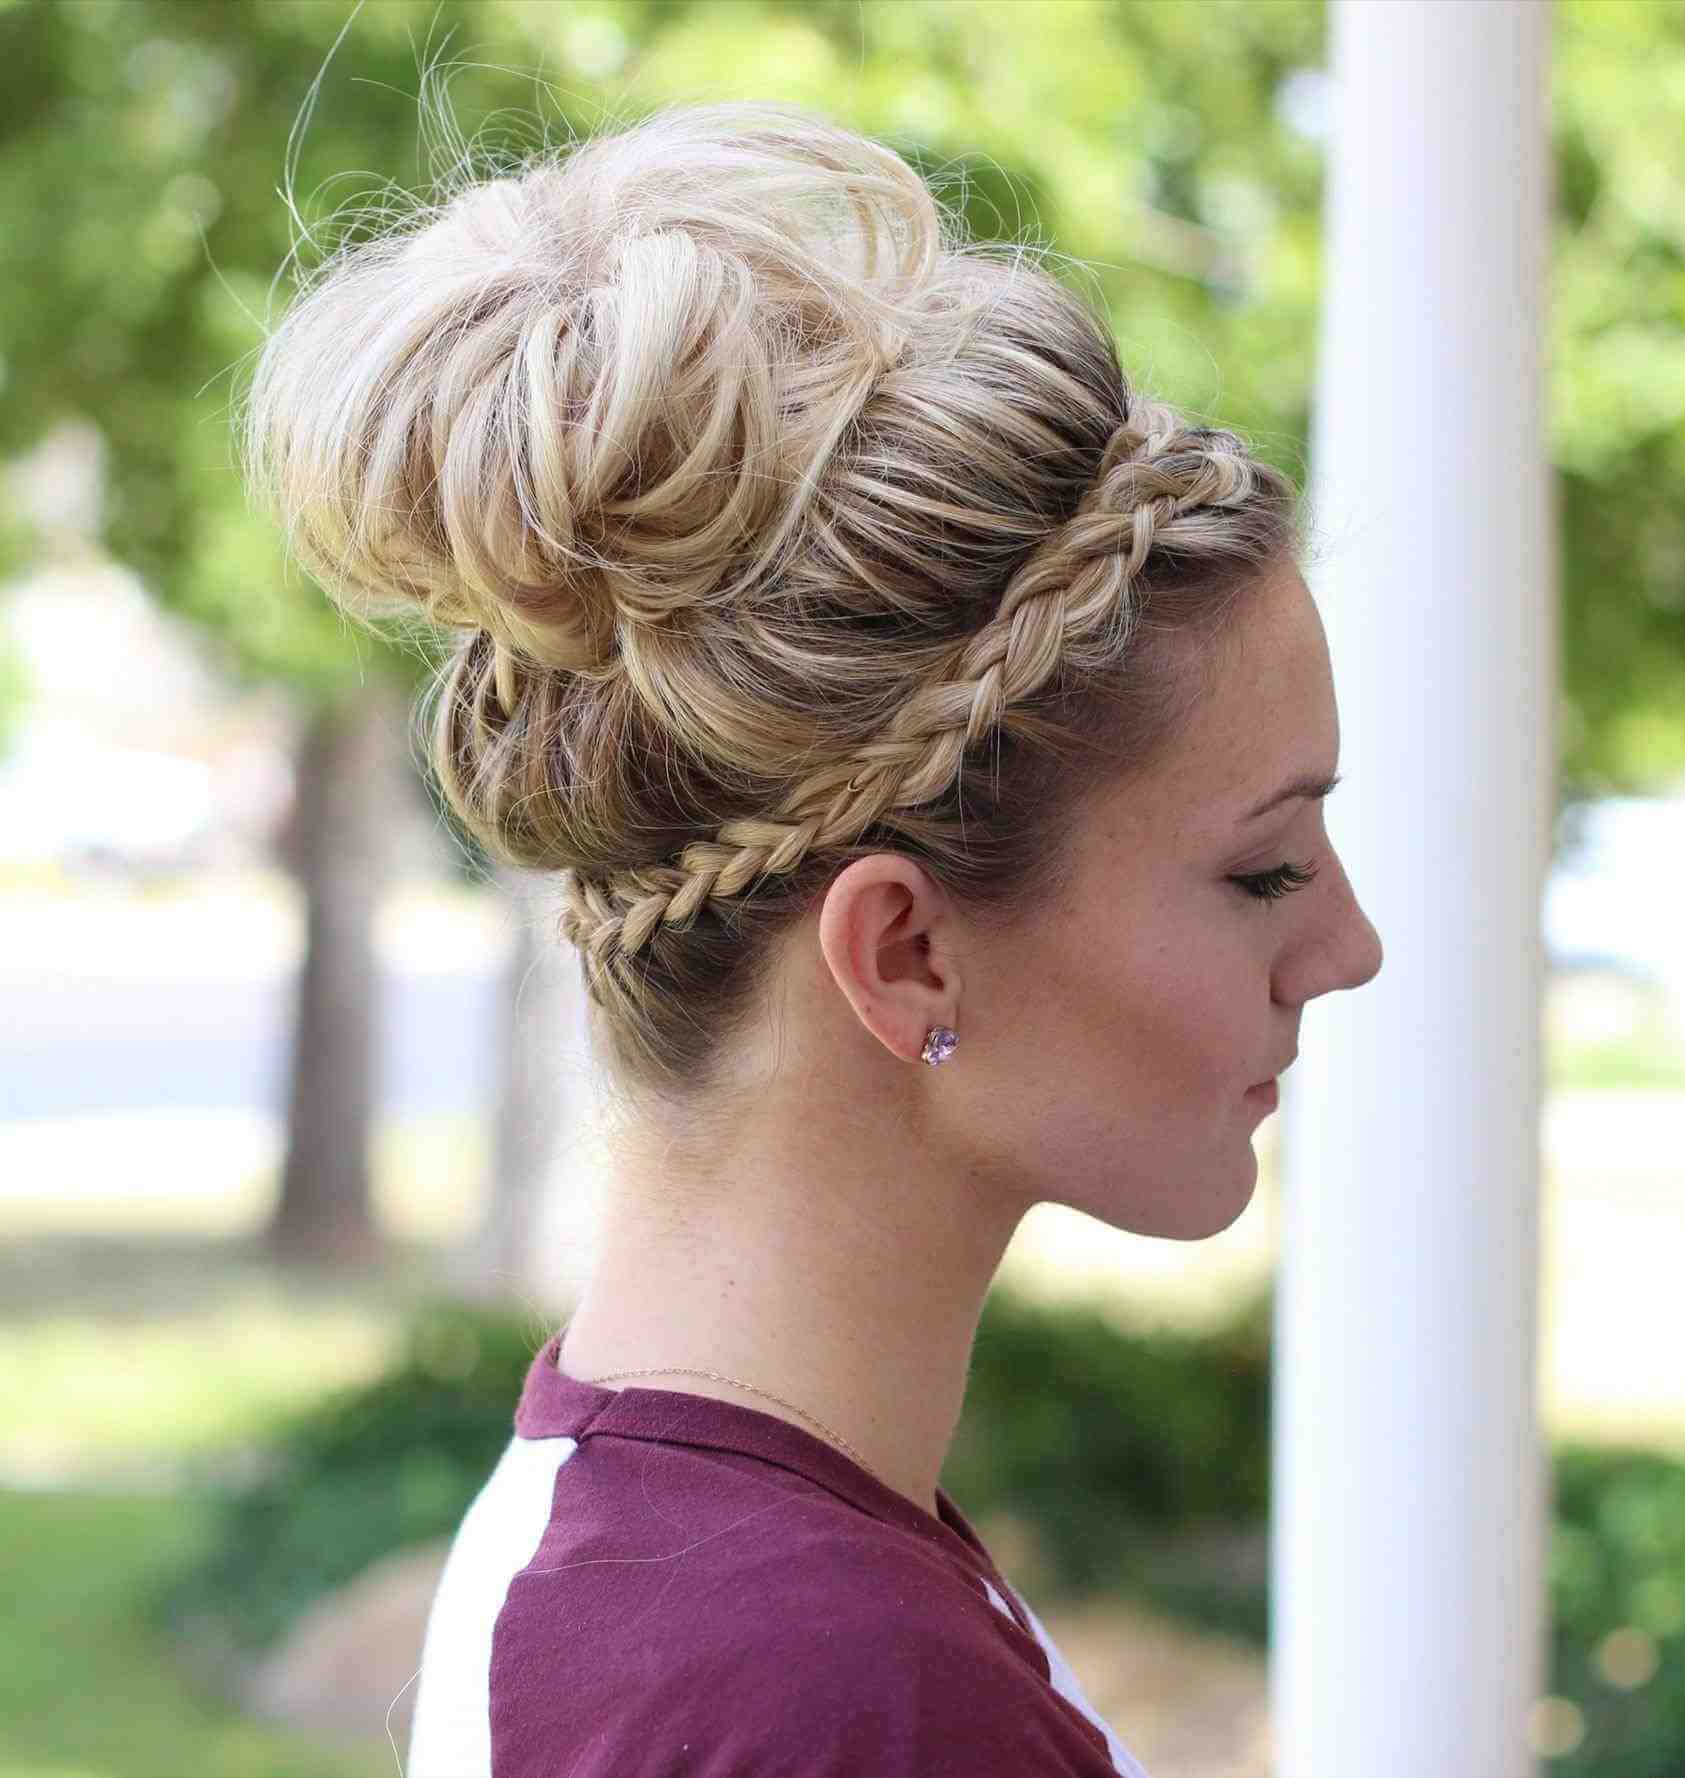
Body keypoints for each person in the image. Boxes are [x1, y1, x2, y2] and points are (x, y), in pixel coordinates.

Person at [241, 97, 1382, 1778]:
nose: (1347, 946)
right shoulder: (824, 1695)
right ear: (907, 952)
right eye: (1266, 872)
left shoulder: (662, 1539)